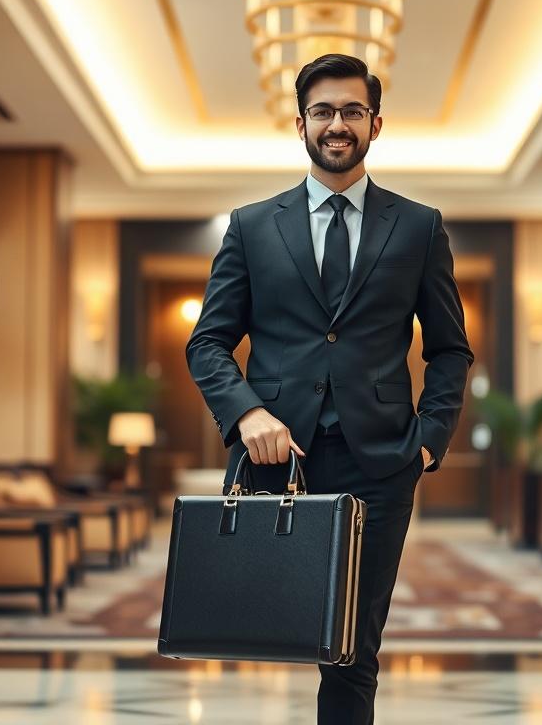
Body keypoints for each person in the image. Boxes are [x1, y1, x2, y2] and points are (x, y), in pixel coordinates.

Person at [185, 53, 473, 724]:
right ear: (300, 124)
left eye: (350, 110)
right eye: (322, 111)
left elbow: (451, 349)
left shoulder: (419, 226)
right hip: (277, 461)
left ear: (375, 123)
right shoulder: (252, 227)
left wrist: (428, 443)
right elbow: (207, 342)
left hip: (381, 465)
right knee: (266, 633)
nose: (336, 123)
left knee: (350, 651)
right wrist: (246, 412)